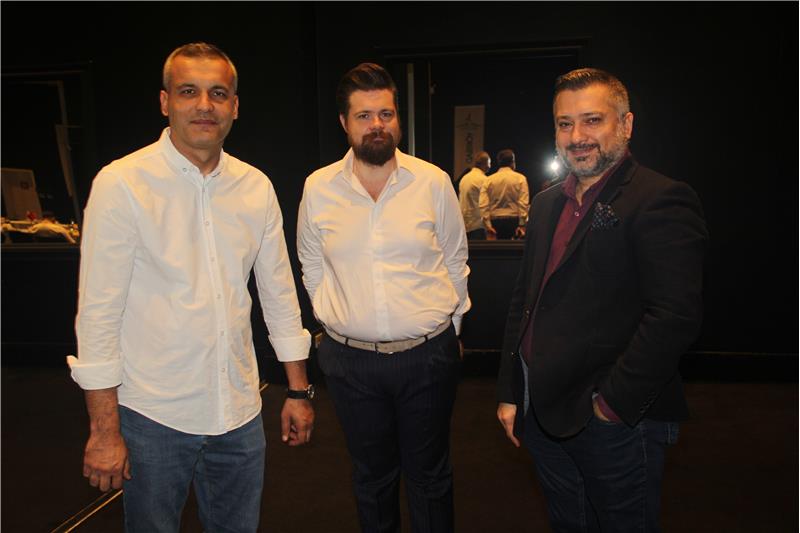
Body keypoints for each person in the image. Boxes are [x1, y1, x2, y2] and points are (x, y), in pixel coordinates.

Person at [66, 42, 314, 533]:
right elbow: (98, 315)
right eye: (188, 91)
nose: (205, 105)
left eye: (218, 93)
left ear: (235, 106)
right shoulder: (122, 184)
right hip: (153, 416)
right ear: (165, 102)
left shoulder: (256, 187)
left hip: (239, 412)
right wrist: (104, 430)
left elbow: (279, 296)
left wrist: (298, 390)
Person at [496, 68, 707, 532]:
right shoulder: (546, 203)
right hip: (542, 412)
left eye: (592, 120)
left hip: (614, 422)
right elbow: (524, 301)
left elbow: (674, 316)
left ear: (626, 124)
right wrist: (512, 392)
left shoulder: (660, 198)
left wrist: (609, 407)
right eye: (565, 124)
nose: (577, 136)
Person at [297, 62, 470, 533]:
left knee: (430, 477)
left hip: (427, 358)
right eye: (364, 115)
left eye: (386, 114)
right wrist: (333, 320)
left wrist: (451, 329)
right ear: (344, 122)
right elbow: (311, 264)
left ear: (397, 118)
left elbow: (455, 259)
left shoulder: (432, 182)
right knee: (371, 479)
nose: (377, 124)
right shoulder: (318, 188)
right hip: (351, 364)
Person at [479, 149, 529, 239]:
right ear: (513, 162)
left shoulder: (488, 180)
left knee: (497, 248)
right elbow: (523, 203)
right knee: (513, 248)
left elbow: (483, 205)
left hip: (495, 221)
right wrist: (522, 224)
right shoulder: (520, 178)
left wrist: (488, 225)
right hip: (514, 221)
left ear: (499, 162)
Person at [458, 151, 491, 239]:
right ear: (486, 164)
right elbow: (486, 204)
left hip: (464, 224)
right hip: (478, 225)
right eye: (489, 163)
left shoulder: (464, 178)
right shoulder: (484, 180)